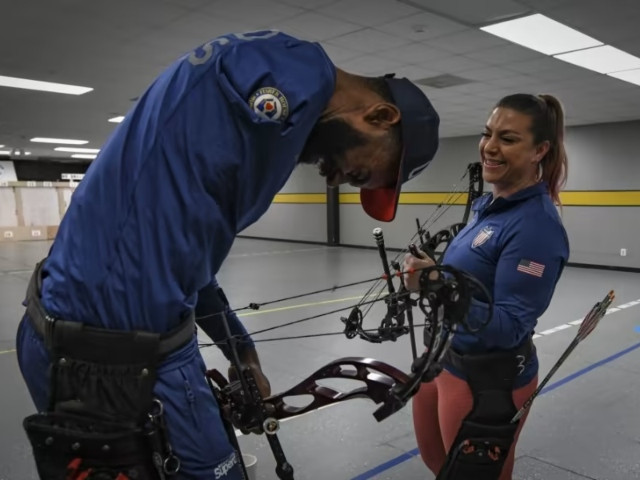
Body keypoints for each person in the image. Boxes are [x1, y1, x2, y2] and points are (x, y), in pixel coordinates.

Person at [16, 30, 440, 480]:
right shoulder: (294, 75)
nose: (339, 180)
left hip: (73, 334)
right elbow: (263, 85)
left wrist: (243, 353)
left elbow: (191, 260)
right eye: (366, 172)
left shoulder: (271, 76)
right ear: (381, 116)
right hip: (116, 362)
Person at [403, 93, 570, 480]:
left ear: (539, 150)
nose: (490, 147)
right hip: (443, 357)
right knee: (437, 464)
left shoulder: (536, 227)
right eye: (488, 133)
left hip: (485, 380)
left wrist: (436, 285)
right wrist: (434, 276)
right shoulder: (485, 206)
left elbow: (509, 325)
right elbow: (466, 282)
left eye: (508, 139)